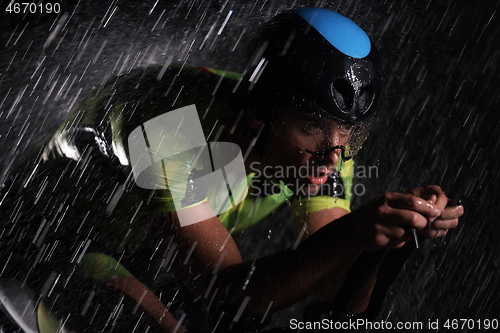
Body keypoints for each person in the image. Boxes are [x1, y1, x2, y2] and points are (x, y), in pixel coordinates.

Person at [1, 7, 463, 333]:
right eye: (310, 129)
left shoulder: (326, 146)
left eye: (348, 138)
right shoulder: (167, 123)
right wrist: (357, 231)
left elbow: (333, 291)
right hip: (43, 240)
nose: (333, 160)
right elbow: (227, 287)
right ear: (260, 112)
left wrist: (391, 241)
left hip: (148, 254)